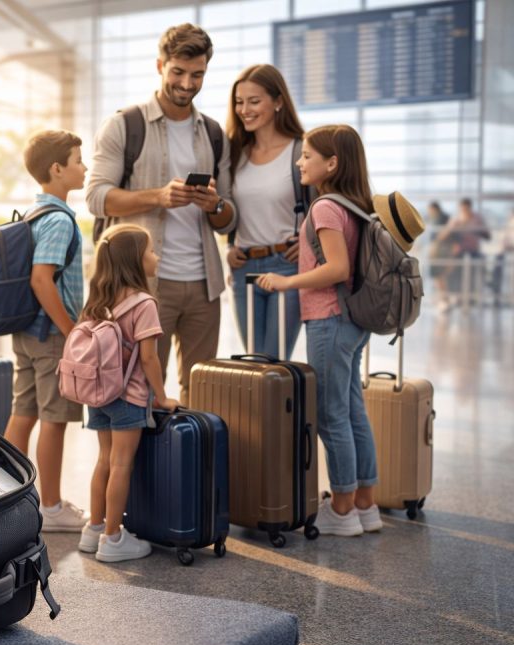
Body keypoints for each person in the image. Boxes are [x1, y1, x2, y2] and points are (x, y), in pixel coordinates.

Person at [87, 23, 237, 406]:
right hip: (143, 285)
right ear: (160, 66)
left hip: (204, 285)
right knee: (138, 395)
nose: (188, 83)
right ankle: (139, 470)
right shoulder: (125, 125)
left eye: (198, 74)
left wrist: (215, 205)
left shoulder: (215, 134)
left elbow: (229, 218)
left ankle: (188, 465)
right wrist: (158, 196)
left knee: (205, 394)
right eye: (178, 72)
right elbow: (96, 197)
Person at [255, 124, 382, 537]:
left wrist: (286, 281)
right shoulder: (354, 205)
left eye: (307, 155)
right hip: (352, 321)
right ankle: (365, 503)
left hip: (328, 318)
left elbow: (336, 268)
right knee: (353, 412)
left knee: (330, 416)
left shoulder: (326, 207)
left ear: (332, 163)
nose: (299, 161)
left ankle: (342, 509)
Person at [75, 224, 180, 562]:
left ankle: (94, 528)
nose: (156, 256)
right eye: (151, 251)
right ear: (135, 260)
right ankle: (114, 538)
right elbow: (148, 357)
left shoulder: (99, 299)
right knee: (122, 464)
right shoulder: (143, 303)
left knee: (104, 460)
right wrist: (162, 396)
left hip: (98, 395)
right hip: (128, 396)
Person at [4, 129, 88, 532]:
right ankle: (51, 507)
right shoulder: (58, 220)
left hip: (26, 333)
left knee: (24, 413)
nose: (84, 167)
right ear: (57, 169)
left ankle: (8, 495)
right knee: (55, 418)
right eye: (77, 161)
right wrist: (72, 331)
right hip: (50, 335)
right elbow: (42, 280)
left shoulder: (34, 214)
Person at [224, 64, 310, 359]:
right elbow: (231, 209)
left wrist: (310, 242)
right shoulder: (234, 153)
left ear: (278, 102)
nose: (244, 109)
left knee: (273, 364)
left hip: (286, 265)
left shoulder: (300, 151)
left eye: (254, 101)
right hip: (243, 267)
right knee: (252, 363)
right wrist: (229, 247)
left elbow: (325, 209)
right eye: (239, 101)